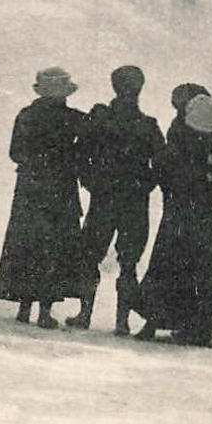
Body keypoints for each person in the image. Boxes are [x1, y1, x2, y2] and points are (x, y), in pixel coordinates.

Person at [136, 90, 212, 347]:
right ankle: (201, 327)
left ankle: (155, 321)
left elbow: (164, 168)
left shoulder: (182, 140)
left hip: (182, 217)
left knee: (169, 268)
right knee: (209, 275)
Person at [70, 66, 164, 333]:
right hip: (134, 200)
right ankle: (121, 323)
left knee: (91, 255)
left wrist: (91, 181)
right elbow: (160, 165)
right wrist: (143, 186)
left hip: (105, 197)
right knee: (129, 262)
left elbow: (80, 153)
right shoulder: (148, 125)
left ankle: (84, 314)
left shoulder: (100, 117)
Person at [0, 67, 86, 328]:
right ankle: (45, 311)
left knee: (26, 245)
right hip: (61, 191)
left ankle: (24, 307)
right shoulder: (75, 119)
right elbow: (84, 154)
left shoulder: (26, 115)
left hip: (30, 190)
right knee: (53, 248)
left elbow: (15, 153)